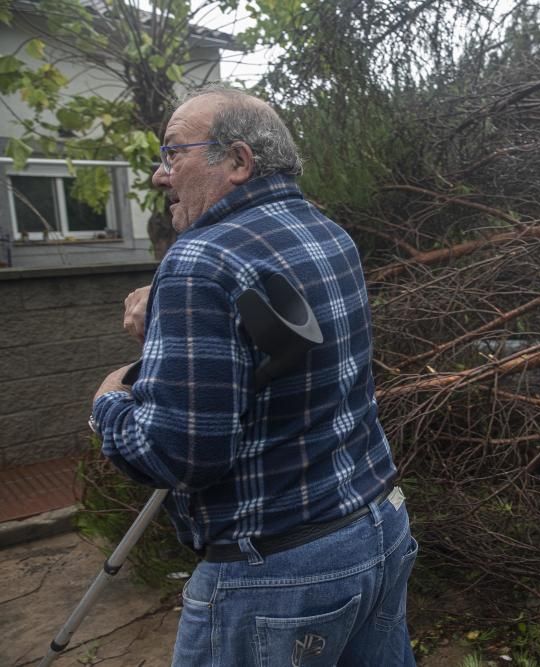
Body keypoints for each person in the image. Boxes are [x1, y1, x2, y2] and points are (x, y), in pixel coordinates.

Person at [91, 85, 417, 667]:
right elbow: (271, 352)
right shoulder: (326, 233)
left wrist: (109, 401)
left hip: (278, 575)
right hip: (377, 530)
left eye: (173, 154)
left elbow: (182, 456)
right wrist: (173, 319)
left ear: (238, 161)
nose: (161, 176)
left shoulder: (198, 260)